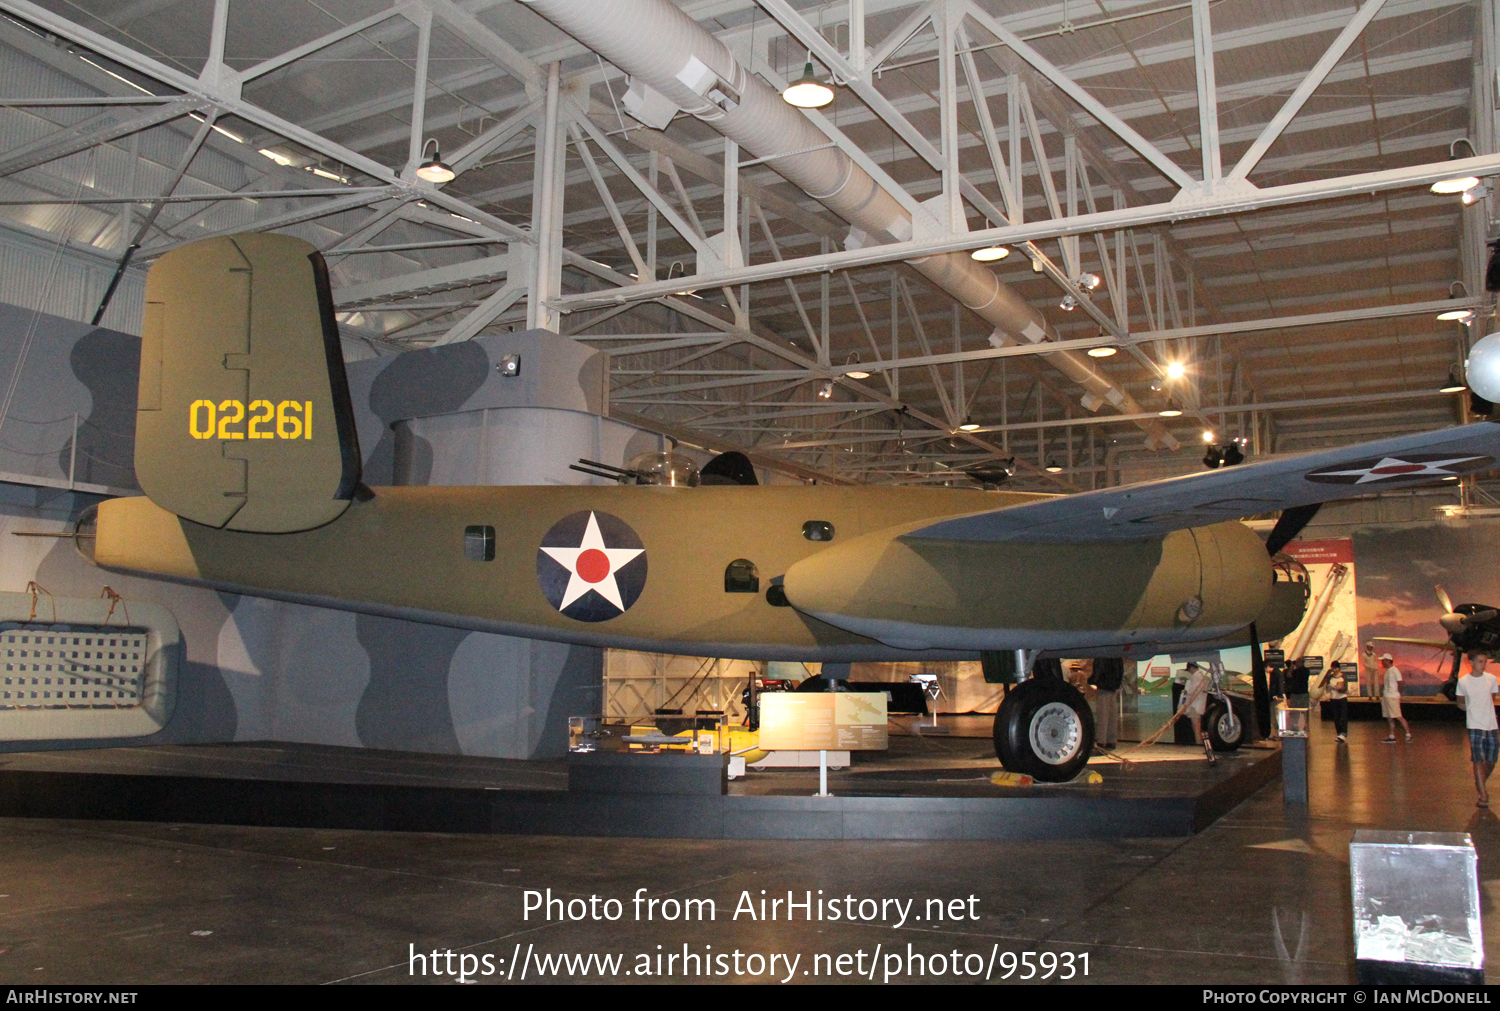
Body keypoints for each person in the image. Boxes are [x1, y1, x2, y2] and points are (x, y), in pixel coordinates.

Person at [1453, 652, 1500, 807]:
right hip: (1475, 725)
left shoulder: (1492, 679)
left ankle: (1480, 782)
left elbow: (1491, 698)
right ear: (1471, 662)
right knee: (1478, 759)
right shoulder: (1463, 682)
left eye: (1485, 662)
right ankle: (1483, 794)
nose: (1483, 664)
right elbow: (1460, 703)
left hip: (1491, 724)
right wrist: (1473, 710)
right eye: (1480, 661)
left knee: (1492, 759)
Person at [1181, 661, 1216, 764]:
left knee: (1196, 725)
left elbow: (1194, 690)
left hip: (1195, 705)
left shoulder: (1197, 677)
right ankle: (1199, 744)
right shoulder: (1200, 677)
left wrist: (1186, 692)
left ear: (1192, 668)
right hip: (1196, 704)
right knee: (1196, 724)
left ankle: (1199, 745)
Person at [1089, 657, 1124, 750]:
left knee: (1102, 715)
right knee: (1112, 714)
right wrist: (1117, 683)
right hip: (1113, 687)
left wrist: (1092, 681)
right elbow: (1121, 670)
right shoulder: (1117, 656)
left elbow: (1099, 669)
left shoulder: (1102, 655)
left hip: (1103, 686)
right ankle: (1111, 740)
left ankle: (1101, 741)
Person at [1378, 652, 1412, 743]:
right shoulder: (1388, 671)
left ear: (1388, 661)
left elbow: (1400, 683)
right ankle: (1392, 735)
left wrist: (1398, 693)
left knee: (1398, 716)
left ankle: (1408, 734)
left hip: (1392, 696)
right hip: (1387, 696)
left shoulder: (1394, 670)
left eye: (1383, 660)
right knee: (1389, 717)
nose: (1382, 662)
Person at [1325, 661, 1349, 743]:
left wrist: (1339, 688)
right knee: (1336, 717)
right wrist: (1330, 688)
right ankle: (1339, 734)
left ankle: (1343, 733)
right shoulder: (1330, 677)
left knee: (1343, 716)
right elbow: (1327, 688)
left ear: (1339, 668)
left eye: (1335, 668)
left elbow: (1345, 688)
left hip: (1342, 698)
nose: (1334, 670)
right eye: (1333, 668)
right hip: (1333, 698)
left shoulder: (1343, 676)